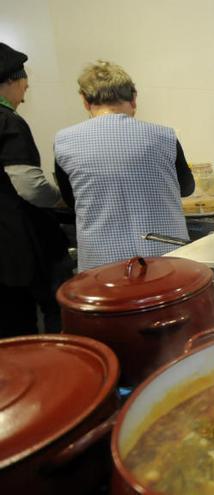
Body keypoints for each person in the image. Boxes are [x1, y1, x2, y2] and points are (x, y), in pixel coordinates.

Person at [54, 60, 195, 272]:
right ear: (134, 97)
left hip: (102, 264)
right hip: (164, 257)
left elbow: (71, 199)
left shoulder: (64, 141)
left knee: (113, 306)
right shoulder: (164, 136)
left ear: (84, 100)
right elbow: (187, 188)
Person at [0, 42, 71, 336]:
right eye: (24, 88)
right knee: (21, 330)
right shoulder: (7, 121)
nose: (24, 98)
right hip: (12, 252)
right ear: (10, 82)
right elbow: (29, 185)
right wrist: (60, 199)